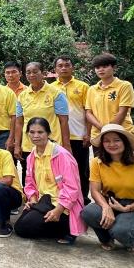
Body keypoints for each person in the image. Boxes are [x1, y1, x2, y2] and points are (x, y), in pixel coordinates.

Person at [81, 124, 134, 252]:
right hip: (109, 201)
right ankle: (106, 238)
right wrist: (105, 207)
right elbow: (94, 190)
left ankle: (132, 238)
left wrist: (128, 208)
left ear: (125, 142)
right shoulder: (97, 162)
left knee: (121, 231)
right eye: (107, 141)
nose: (112, 144)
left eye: (117, 140)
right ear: (102, 144)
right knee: (88, 212)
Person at [14, 118, 86, 243]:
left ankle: (67, 229)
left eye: (40, 132)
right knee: (20, 227)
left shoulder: (61, 155)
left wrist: (58, 210)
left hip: (62, 206)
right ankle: (57, 228)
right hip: (43, 202)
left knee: (24, 227)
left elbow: (72, 187)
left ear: (48, 134)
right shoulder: (32, 156)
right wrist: (32, 200)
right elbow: (30, 183)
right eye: (32, 132)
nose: (36, 136)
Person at [14, 62, 71, 178]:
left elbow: (63, 121)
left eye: (35, 72)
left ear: (43, 73)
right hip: (29, 145)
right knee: (30, 176)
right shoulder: (22, 96)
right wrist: (17, 145)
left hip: (51, 144)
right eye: (28, 72)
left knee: (52, 175)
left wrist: (66, 145)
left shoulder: (56, 93)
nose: (31, 75)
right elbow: (19, 123)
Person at [55, 55, 92, 202]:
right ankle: (62, 199)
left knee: (81, 170)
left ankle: (83, 199)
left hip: (78, 136)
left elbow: (88, 112)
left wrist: (88, 134)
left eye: (67, 65)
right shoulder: (51, 88)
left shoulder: (83, 87)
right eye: (60, 65)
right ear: (55, 69)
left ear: (72, 67)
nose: (63, 68)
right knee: (60, 171)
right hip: (58, 138)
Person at [85, 53, 134, 137]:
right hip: (98, 135)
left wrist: (109, 130)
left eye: (105, 66)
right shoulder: (92, 89)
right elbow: (88, 113)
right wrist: (102, 128)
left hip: (121, 133)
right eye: (97, 67)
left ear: (114, 68)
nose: (101, 70)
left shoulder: (124, 86)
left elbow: (122, 111)